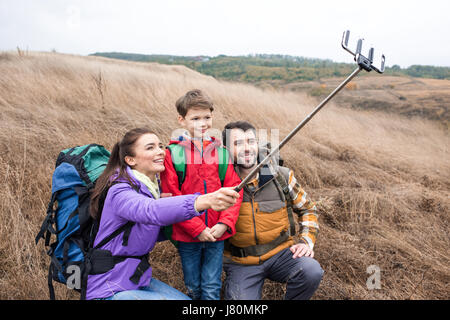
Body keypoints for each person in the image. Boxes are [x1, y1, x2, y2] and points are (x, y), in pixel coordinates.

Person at [86, 127, 240, 300]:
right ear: (130, 160)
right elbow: (151, 210)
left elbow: (156, 224)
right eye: (150, 148)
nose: (161, 152)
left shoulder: (149, 188)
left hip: (134, 278)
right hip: (109, 287)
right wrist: (203, 201)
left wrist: (204, 226)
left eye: (160, 146)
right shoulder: (120, 190)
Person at [221, 121, 323, 300]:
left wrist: (306, 242)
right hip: (241, 263)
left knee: (311, 271)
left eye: (250, 142)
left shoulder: (281, 176)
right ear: (225, 149)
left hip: (282, 254)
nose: (247, 149)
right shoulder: (219, 182)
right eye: (238, 143)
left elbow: (308, 209)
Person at [160, 89, 243, 300]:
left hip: (217, 233)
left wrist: (224, 224)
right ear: (182, 119)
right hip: (188, 233)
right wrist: (196, 228)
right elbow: (171, 196)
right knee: (193, 285)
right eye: (195, 118)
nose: (203, 123)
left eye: (207, 117)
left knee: (212, 285)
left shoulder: (221, 153)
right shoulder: (173, 154)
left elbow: (234, 190)